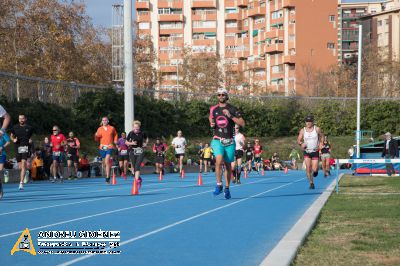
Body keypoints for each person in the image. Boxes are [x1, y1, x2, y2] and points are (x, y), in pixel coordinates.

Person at [210, 88, 245, 199]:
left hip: (229, 141)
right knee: (218, 161)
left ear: (226, 96)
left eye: (223, 94)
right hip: (217, 140)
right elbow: (210, 117)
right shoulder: (213, 109)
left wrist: (230, 116)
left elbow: (242, 123)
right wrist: (211, 123)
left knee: (228, 166)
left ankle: (227, 188)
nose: (221, 96)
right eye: (219, 95)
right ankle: (219, 184)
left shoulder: (232, 108)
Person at [297, 114, 323, 189]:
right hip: (307, 151)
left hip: (315, 151)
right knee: (308, 168)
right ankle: (311, 183)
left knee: (314, 169)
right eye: (307, 121)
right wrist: (301, 143)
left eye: (309, 121)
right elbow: (298, 140)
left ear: (312, 122)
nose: (308, 123)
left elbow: (322, 136)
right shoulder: (303, 130)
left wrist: (321, 143)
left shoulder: (317, 129)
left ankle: (315, 172)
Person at [10, 114, 34, 190]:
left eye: (22, 118)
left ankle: (21, 183)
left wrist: (30, 140)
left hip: (25, 147)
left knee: (23, 164)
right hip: (17, 147)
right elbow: (11, 136)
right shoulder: (15, 127)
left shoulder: (29, 128)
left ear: (25, 119)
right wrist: (13, 139)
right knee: (20, 166)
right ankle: (25, 172)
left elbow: (31, 137)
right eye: (20, 118)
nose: (21, 120)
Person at [126, 120, 148, 191]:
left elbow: (146, 139)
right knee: (134, 167)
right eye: (135, 128)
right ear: (133, 128)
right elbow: (126, 142)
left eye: (137, 128)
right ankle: (139, 179)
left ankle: (136, 182)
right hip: (132, 151)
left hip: (140, 151)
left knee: (137, 166)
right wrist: (131, 143)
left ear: (139, 128)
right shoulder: (131, 133)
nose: (136, 130)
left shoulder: (142, 133)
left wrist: (145, 144)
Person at [95, 117, 118, 184]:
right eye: (103, 120)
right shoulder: (99, 129)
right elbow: (96, 139)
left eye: (105, 120)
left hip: (109, 146)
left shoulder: (112, 128)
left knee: (107, 160)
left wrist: (115, 140)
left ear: (108, 121)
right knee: (104, 164)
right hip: (102, 147)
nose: (104, 121)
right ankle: (107, 175)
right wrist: (96, 136)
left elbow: (116, 134)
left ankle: (108, 178)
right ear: (102, 121)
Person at [0, 130, 10, 199]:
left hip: (1, 155)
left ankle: (0, 191)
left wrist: (2, 147)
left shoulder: (2, 132)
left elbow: (8, 142)